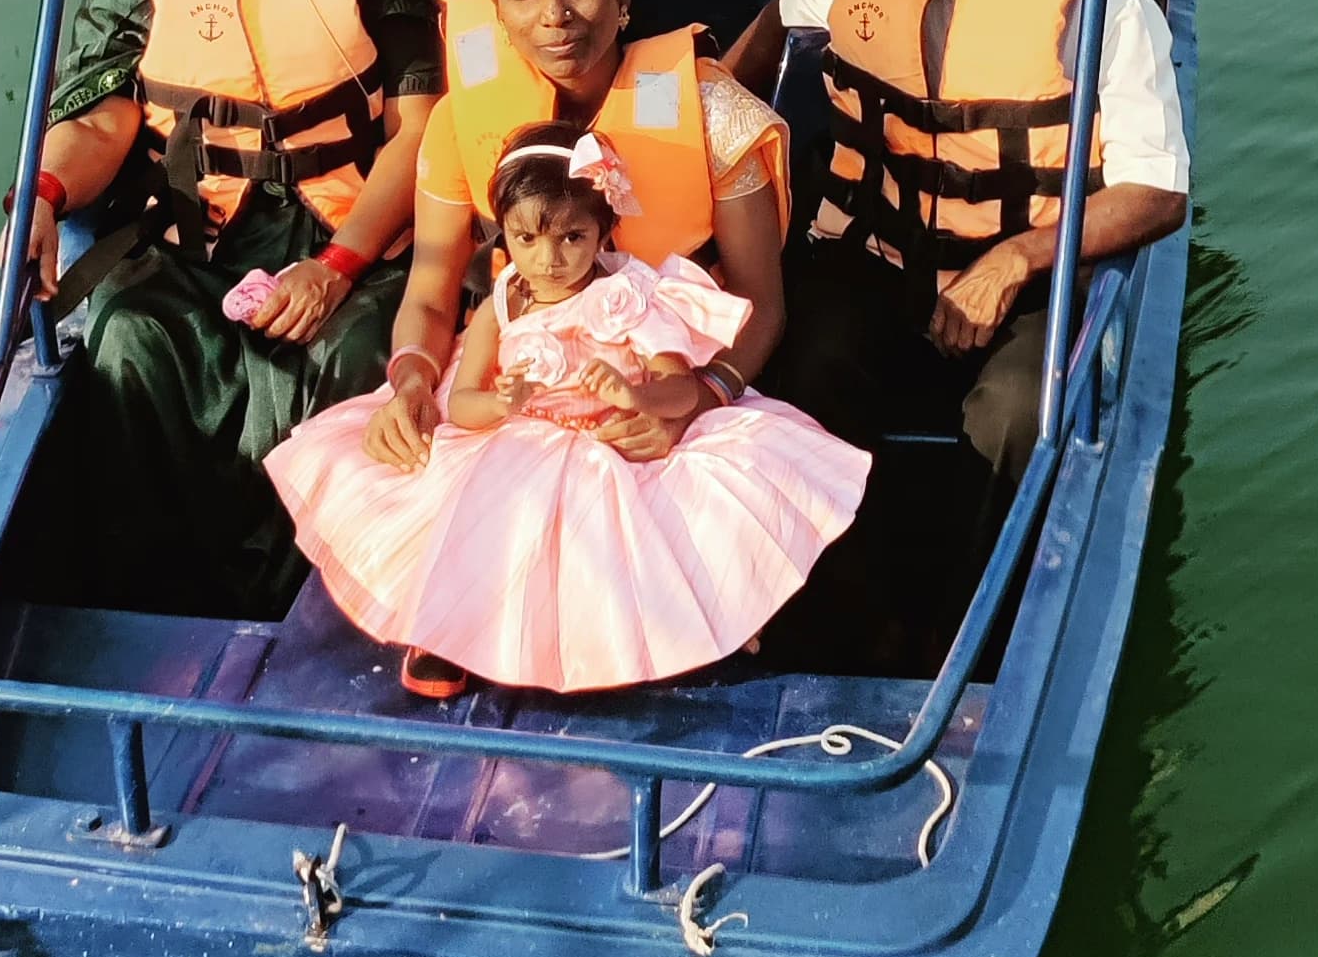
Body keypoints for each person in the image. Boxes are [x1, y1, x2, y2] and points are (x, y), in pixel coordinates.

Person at [16, 0, 441, 614]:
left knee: (352, 354)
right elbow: (102, 114)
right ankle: (150, 599)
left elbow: (420, 131)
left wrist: (339, 267)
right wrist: (45, 198)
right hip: (197, 229)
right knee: (129, 334)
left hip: (348, 232)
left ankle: (318, 610)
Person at [266, 128, 869, 696]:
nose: (549, 258)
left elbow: (680, 389)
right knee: (482, 497)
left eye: (571, 238)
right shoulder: (504, 303)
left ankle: (673, 635)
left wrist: (635, 395)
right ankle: (449, 630)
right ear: (504, 233)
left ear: (603, 231)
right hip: (523, 434)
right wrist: (498, 404)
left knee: (656, 514)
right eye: (528, 239)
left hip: (613, 439)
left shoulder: (630, 296)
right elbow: (462, 398)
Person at [736, 0, 1189, 503]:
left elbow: (1158, 193)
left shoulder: (1103, 0)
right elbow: (773, 28)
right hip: (877, 259)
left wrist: (1015, 260)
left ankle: (977, 588)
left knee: (1017, 416)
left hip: (1031, 277)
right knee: (803, 380)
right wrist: (710, 110)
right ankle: (835, 593)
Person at [361, 0, 791, 477]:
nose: (554, 16)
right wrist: (410, 384)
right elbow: (431, 295)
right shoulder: (458, 119)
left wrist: (695, 402)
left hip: (678, 399)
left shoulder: (710, 110)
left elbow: (762, 307)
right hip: (515, 407)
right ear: (495, 0)